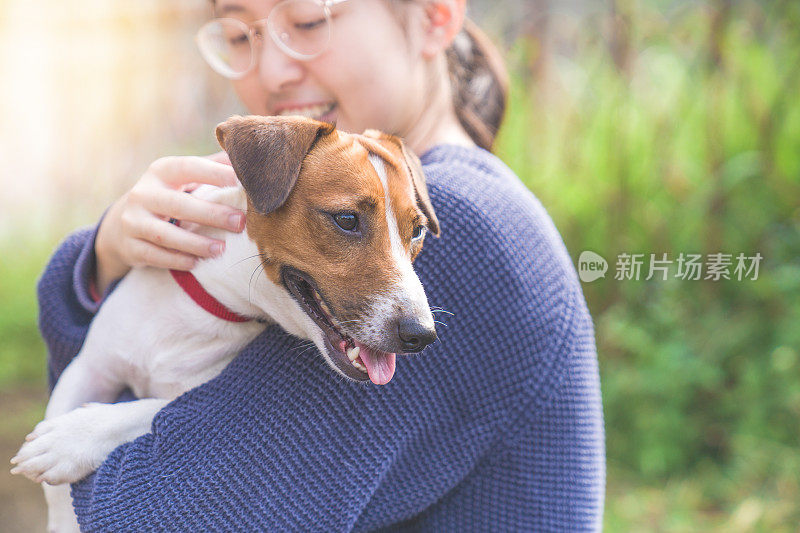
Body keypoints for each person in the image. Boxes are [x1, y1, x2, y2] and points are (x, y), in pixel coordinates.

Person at [39, 0, 605, 529]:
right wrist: (107, 257)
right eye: (240, 35)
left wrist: (99, 373)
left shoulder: (462, 230)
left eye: (309, 21)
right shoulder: (387, 202)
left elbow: (141, 513)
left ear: (435, 15)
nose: (274, 70)